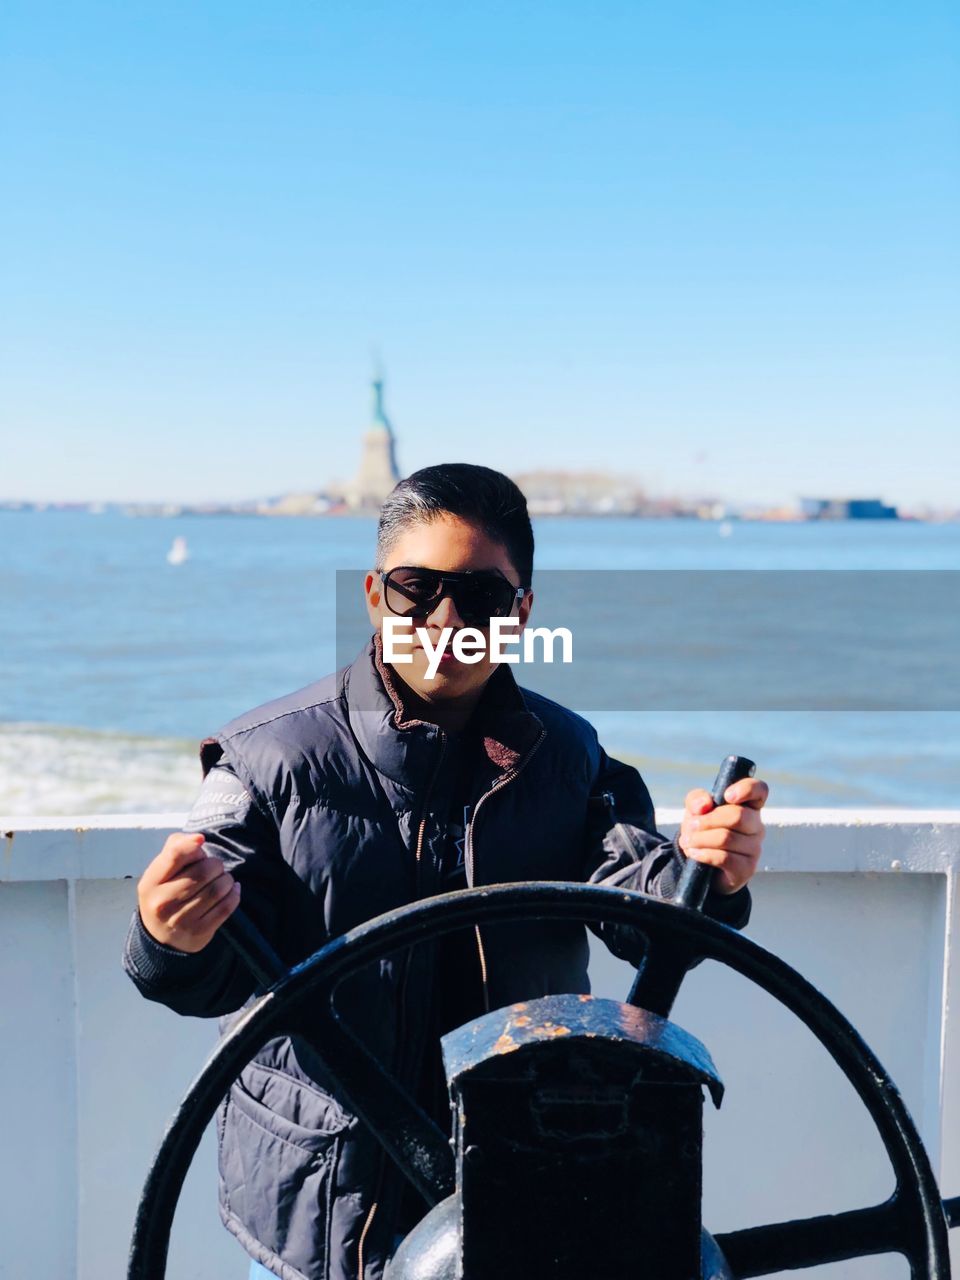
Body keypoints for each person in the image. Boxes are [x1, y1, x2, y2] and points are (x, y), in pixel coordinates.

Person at [123, 463, 768, 1280]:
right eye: (415, 587)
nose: (446, 619)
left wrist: (709, 872)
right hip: (324, 1211)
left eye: (484, 598)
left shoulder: (569, 759)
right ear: (372, 596)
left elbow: (644, 910)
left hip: (517, 1184)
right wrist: (168, 931)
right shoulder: (267, 759)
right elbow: (203, 973)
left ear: (522, 615)